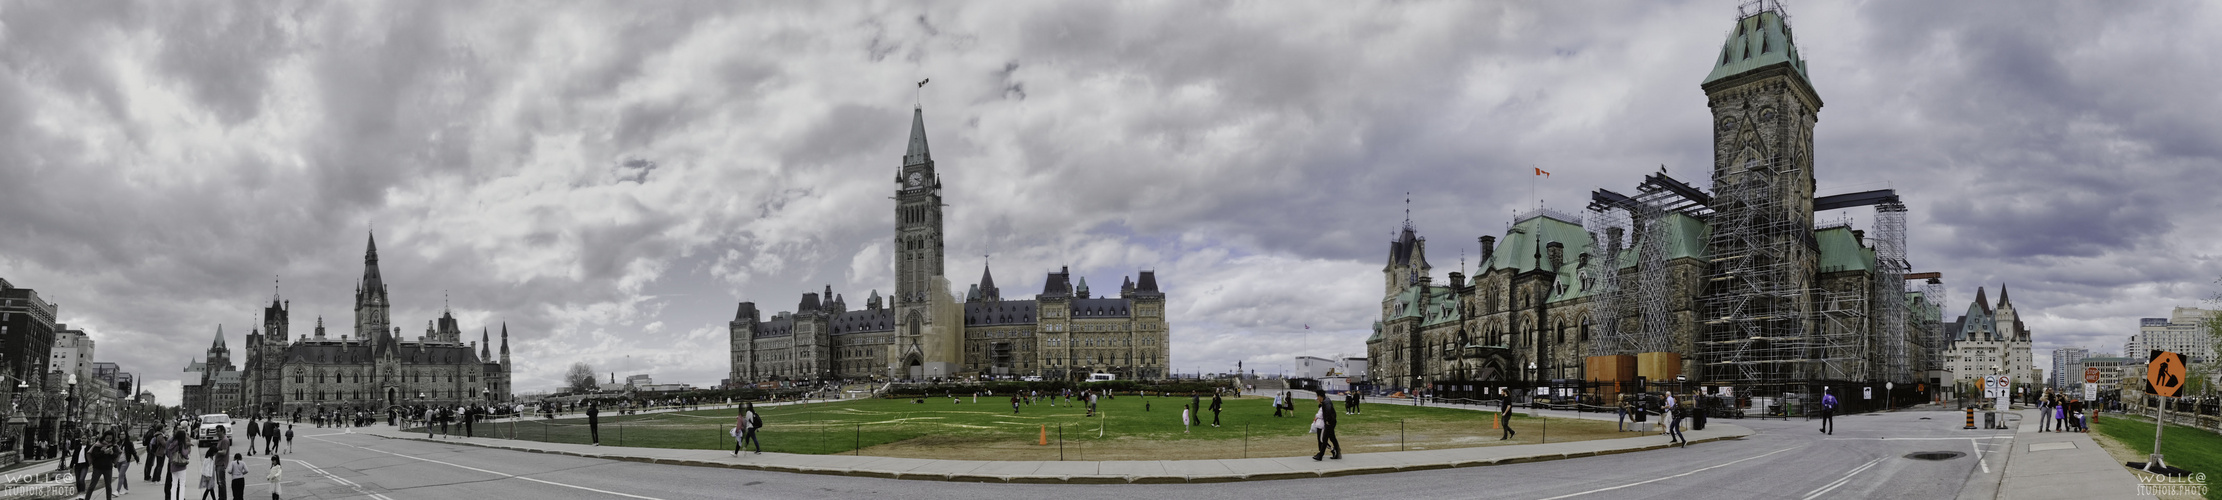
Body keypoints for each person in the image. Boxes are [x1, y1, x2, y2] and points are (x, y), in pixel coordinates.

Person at [86, 435, 116, 500]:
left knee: (108, 486)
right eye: (107, 438)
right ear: (104, 438)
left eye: (110, 438)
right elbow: (94, 455)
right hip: (97, 468)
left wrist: (112, 453)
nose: (108, 440)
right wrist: (103, 452)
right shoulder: (97, 445)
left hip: (108, 468)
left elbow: (115, 456)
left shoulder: (113, 446)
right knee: (92, 486)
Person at [1312, 396, 1340, 460]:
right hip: (1321, 424)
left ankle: (1332, 450)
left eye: (1318, 399)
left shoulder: (1324, 406)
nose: (1317, 401)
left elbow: (1321, 415)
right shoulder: (1323, 406)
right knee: (1329, 438)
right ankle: (1333, 451)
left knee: (1323, 440)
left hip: (1322, 425)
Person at [115, 432, 136, 496]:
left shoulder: (129, 443)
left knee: (121, 475)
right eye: (120, 434)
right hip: (119, 461)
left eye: (123, 434)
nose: (121, 436)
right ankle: (126, 489)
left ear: (126, 435)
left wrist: (137, 459)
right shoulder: (118, 443)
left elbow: (133, 451)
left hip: (125, 461)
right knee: (123, 475)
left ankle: (117, 491)